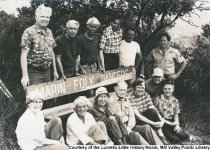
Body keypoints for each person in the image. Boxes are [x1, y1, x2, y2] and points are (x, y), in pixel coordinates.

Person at [107, 81, 163, 145]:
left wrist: (129, 126)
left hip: (130, 126)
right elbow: (117, 120)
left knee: (146, 127)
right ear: (115, 89)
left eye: (124, 90)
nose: (123, 92)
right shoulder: (111, 101)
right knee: (136, 135)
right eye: (121, 90)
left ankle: (160, 146)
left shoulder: (126, 99)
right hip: (121, 130)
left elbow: (132, 116)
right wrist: (126, 119)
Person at [20, 4, 58, 90]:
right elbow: (23, 55)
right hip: (34, 73)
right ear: (36, 17)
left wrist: (55, 71)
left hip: (48, 71)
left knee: (48, 99)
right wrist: (25, 76)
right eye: (42, 16)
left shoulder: (49, 32)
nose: (45, 19)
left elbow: (52, 51)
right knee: (35, 100)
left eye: (47, 17)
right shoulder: (29, 32)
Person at [128, 78, 168, 144]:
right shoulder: (130, 98)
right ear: (134, 88)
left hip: (146, 116)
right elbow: (138, 116)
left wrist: (162, 120)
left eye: (142, 87)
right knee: (148, 124)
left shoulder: (145, 94)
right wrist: (154, 123)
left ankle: (161, 135)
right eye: (138, 87)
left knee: (152, 111)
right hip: (137, 120)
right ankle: (160, 136)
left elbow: (152, 109)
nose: (140, 90)